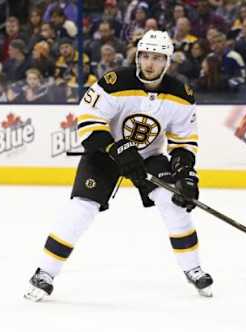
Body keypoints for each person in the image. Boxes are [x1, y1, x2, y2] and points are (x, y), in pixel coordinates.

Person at [24, 30, 213, 302]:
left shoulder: (182, 95)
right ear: (137, 56)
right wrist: (117, 148)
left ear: (167, 61)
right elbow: (88, 121)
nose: (149, 63)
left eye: (157, 58)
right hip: (105, 153)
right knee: (81, 208)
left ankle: (193, 268)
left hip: (148, 157)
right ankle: (45, 273)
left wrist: (186, 174)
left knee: (173, 202)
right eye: (145, 55)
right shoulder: (114, 82)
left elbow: (184, 141)